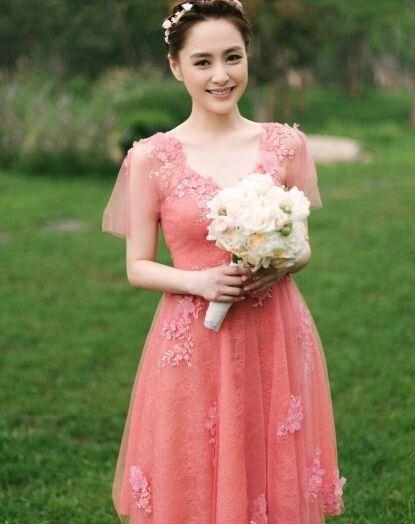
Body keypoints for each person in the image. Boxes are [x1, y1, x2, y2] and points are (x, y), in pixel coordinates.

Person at [102, 1, 347, 522]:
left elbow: (303, 246)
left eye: (233, 57)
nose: (221, 75)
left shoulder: (286, 145)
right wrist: (202, 282)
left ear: (248, 57)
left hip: (272, 333)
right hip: (193, 339)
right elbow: (138, 267)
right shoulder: (152, 157)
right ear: (176, 66)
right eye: (203, 61)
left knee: (268, 465)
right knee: (196, 468)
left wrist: (278, 261)